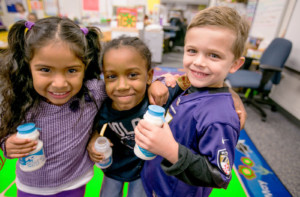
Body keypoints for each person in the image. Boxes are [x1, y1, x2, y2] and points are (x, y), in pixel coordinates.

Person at [0, 17, 167, 196]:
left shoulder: (92, 92)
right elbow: (5, 133)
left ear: (84, 67)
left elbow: (125, 86)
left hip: (76, 184)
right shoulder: (20, 98)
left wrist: (159, 82)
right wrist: (6, 144)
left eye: (72, 70)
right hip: (31, 187)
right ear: (28, 67)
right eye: (45, 70)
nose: (59, 84)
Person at [135, 6, 250, 197]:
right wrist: (159, 84)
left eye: (214, 55)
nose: (199, 62)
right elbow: (173, 82)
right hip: (157, 179)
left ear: (235, 64)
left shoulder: (220, 118)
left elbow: (220, 176)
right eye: (192, 51)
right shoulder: (191, 81)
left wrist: (171, 150)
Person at [87, 36, 183, 197]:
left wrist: (232, 97)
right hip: (114, 168)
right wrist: (94, 138)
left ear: (149, 75)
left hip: (144, 170)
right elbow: (91, 129)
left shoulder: (157, 97)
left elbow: (190, 81)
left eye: (132, 75)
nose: (122, 86)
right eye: (111, 76)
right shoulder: (103, 107)